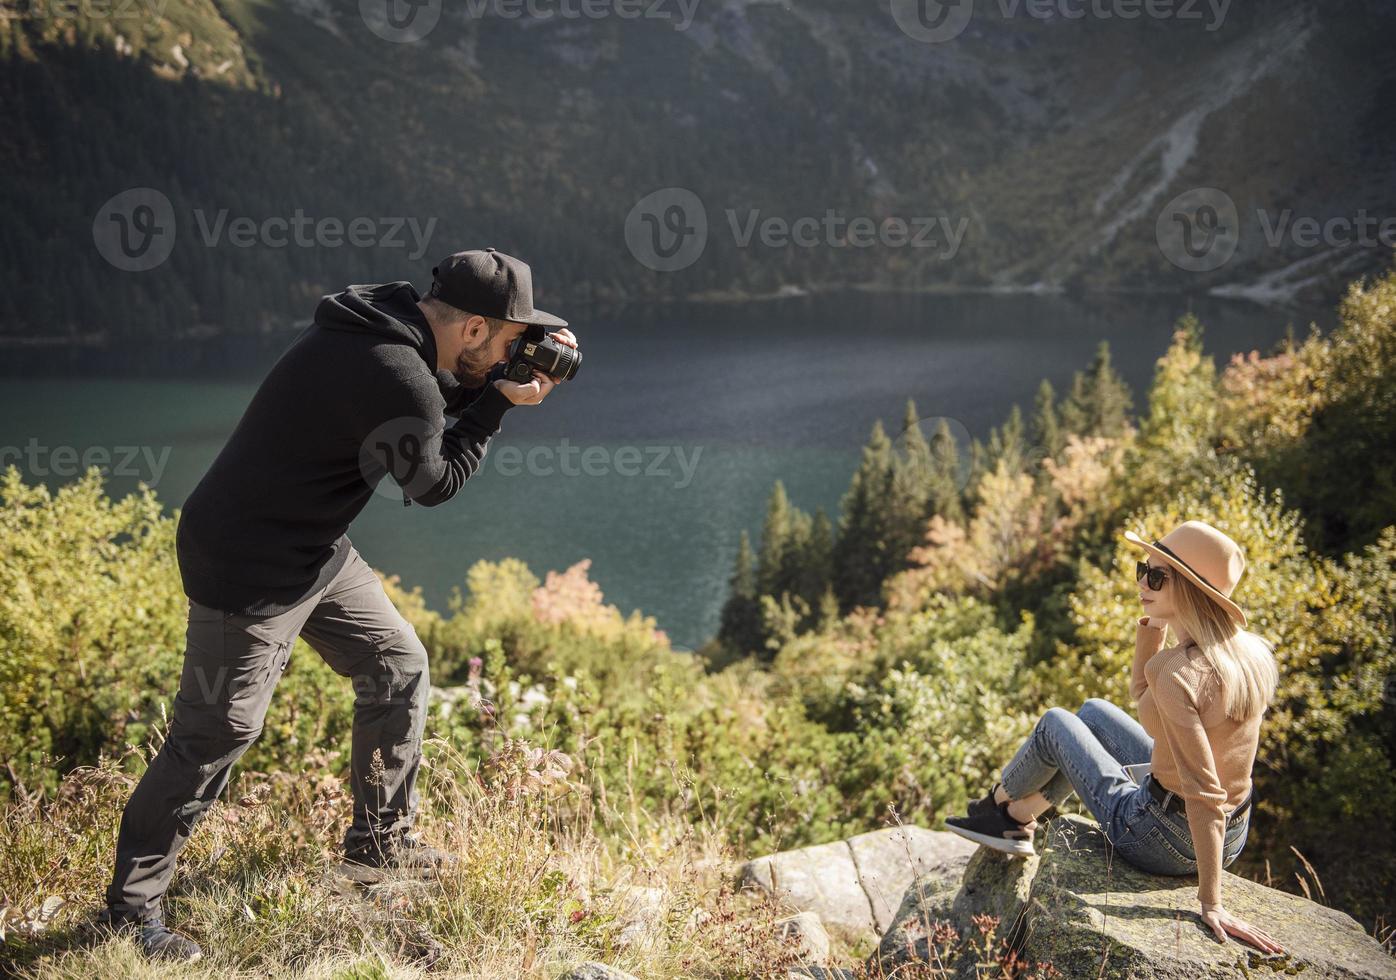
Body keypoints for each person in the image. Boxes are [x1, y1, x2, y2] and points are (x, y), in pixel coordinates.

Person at [99, 248, 578, 962]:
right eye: (511, 340)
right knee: (216, 734)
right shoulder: (398, 374)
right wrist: (498, 407)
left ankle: (380, 844)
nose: (515, 353)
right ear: (472, 330)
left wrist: (498, 375)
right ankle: (127, 914)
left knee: (397, 663)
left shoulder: (379, 324)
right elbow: (434, 483)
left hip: (313, 547)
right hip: (246, 563)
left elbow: (425, 404)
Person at [945, 520, 1284, 954]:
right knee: (1092, 713)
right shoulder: (1247, 653)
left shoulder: (1176, 671)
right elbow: (1150, 716)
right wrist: (1155, 625)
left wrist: (1211, 902)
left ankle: (996, 808)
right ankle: (1021, 814)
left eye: (1157, 577)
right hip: (1232, 835)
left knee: (1055, 722)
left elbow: (1203, 791)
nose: (1142, 581)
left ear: (1190, 592)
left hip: (1158, 838)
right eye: (1144, 569)